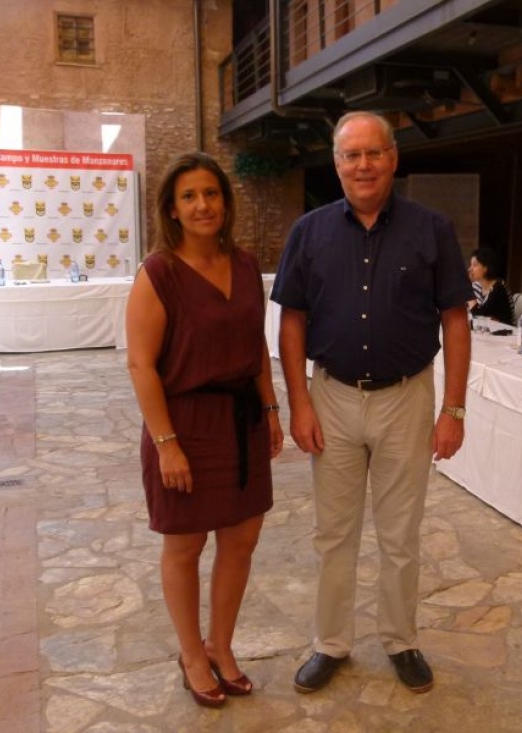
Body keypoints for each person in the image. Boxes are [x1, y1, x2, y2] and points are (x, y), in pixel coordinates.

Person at [271, 111, 472, 695]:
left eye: (373, 153)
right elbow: (291, 324)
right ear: (335, 164)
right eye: (351, 155)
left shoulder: (432, 230)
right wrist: (299, 404)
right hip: (330, 396)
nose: (363, 165)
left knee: (400, 533)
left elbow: (455, 323)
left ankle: (401, 640)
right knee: (334, 533)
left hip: (407, 399)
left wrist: (453, 410)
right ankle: (330, 642)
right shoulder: (308, 232)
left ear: (393, 158)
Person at [125, 152, 284, 708]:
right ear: (172, 207)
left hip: (241, 420)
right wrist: (167, 444)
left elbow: (256, 347)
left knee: (241, 539)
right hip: (185, 424)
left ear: (225, 201)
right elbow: (141, 365)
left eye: (211, 194)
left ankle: (222, 644)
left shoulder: (244, 265)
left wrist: (270, 410)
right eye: (189, 196)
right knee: (186, 545)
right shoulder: (159, 273)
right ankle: (192, 652)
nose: (202, 205)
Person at [467, 246, 514, 325]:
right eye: (470, 265)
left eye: (475, 265)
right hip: (486, 329)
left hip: (505, 332)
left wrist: (467, 289)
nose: (470, 269)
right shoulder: (476, 286)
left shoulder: (499, 288)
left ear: (486, 268)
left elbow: (479, 316)